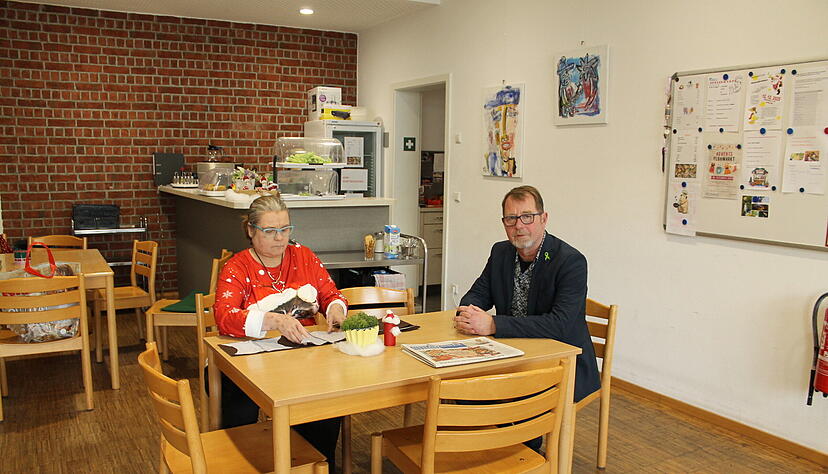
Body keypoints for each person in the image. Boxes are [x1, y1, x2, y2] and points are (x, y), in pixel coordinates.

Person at [213, 193, 347, 466]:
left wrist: (334, 307)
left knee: (327, 399)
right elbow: (224, 317)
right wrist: (273, 321)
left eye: (285, 229)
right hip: (248, 364)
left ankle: (315, 465)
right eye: (270, 231)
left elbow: (331, 293)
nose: (280, 238)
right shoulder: (237, 266)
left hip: (302, 359)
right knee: (241, 408)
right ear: (250, 230)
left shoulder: (304, 256)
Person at [455, 185, 600, 403]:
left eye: (527, 217)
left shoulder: (570, 261)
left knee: (507, 398)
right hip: (512, 352)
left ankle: (523, 436)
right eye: (511, 219)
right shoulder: (500, 252)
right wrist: (469, 313)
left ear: (544, 218)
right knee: (463, 386)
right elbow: (477, 293)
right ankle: (491, 435)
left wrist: (494, 325)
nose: (519, 226)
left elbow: (560, 324)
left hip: (562, 362)